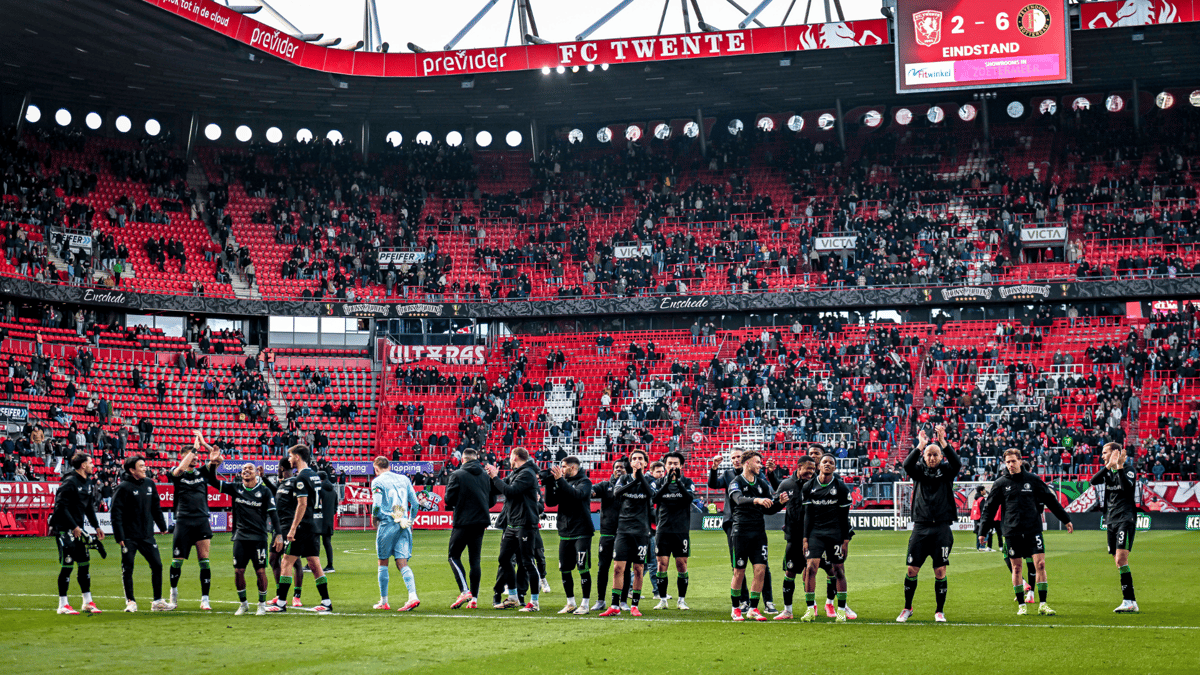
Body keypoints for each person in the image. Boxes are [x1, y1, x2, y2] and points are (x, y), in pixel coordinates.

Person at [979, 449, 1075, 616]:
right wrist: (983, 531)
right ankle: (1022, 605)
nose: (1010, 465)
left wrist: (1065, 519)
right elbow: (989, 508)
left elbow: (1050, 500)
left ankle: (1043, 604)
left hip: (1033, 530)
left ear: (1020, 461)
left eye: (1013, 461)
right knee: (1016, 569)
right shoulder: (1000, 483)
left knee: (1041, 564)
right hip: (1011, 531)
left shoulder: (1033, 480)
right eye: (1007, 462)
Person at [203, 456, 282, 616]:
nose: (246, 471)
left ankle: (261, 604)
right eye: (244, 469)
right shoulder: (235, 488)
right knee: (239, 571)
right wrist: (212, 464)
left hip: (259, 538)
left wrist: (279, 534)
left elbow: (273, 514)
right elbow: (211, 480)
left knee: (260, 571)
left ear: (256, 474)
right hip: (240, 538)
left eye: (250, 469)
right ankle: (244, 603)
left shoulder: (265, 491)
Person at [897, 425, 960, 623]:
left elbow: (957, 464)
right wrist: (920, 446)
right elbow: (907, 465)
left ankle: (939, 611)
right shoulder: (919, 472)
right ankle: (907, 608)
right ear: (924, 457)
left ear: (941, 457)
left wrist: (943, 443)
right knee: (911, 570)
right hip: (921, 527)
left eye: (935, 455)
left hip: (942, 527)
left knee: (940, 570)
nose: (932, 458)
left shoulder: (947, 472)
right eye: (928, 455)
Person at [267, 445, 333, 612]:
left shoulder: (301, 478)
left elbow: (302, 504)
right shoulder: (315, 476)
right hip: (315, 525)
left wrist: (292, 528)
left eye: (290, 456)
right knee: (314, 563)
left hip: (303, 527)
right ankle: (326, 602)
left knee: (286, 562)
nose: (289, 459)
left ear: (297, 456)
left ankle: (281, 603)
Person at [708, 450, 775, 612]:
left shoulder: (758, 477)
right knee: (738, 565)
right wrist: (714, 468)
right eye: (732, 458)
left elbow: (769, 497)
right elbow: (713, 485)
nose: (735, 460)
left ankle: (768, 601)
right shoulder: (730, 476)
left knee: (761, 565)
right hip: (733, 523)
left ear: (744, 459)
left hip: (754, 522)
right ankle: (744, 601)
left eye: (738, 456)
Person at [727, 450, 787, 621]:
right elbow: (738, 499)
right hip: (741, 532)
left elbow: (770, 509)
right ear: (747, 463)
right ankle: (735, 608)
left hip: (759, 533)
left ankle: (753, 608)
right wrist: (757, 500)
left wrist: (780, 503)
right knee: (739, 571)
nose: (760, 465)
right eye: (757, 462)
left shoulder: (762, 484)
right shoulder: (736, 482)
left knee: (760, 570)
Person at [486, 446, 544, 611]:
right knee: (504, 559)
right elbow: (502, 487)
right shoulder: (517, 473)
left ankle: (534, 602)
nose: (508, 460)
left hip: (525, 524)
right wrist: (492, 477)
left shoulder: (527, 474)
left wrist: (496, 477)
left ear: (516, 457)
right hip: (512, 524)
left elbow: (510, 491)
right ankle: (512, 596)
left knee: (526, 562)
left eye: (510, 457)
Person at [599, 449, 654, 618]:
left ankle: (634, 605)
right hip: (622, 530)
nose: (637, 461)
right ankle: (615, 605)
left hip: (641, 532)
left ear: (645, 463)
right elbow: (617, 493)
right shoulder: (623, 479)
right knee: (618, 567)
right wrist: (634, 479)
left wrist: (640, 477)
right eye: (634, 459)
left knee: (638, 569)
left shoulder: (650, 480)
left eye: (640, 459)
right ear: (630, 463)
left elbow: (651, 494)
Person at [110, 454, 168, 612]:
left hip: (147, 535)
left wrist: (162, 526)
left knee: (157, 565)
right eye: (141, 466)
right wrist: (119, 536)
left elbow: (156, 507)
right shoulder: (123, 488)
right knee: (128, 568)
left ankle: (157, 601)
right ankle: (130, 601)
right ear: (131, 470)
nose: (145, 468)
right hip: (129, 537)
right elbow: (116, 514)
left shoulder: (150, 484)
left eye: (145, 465)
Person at [800, 454, 852, 622]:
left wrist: (845, 540)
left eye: (831, 463)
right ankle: (810, 609)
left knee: (838, 570)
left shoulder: (841, 488)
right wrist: (805, 538)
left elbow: (845, 517)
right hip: (816, 533)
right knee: (810, 568)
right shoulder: (808, 487)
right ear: (819, 466)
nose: (827, 464)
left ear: (834, 468)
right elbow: (807, 515)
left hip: (835, 534)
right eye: (824, 462)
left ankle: (842, 610)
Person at [51, 452, 104, 615]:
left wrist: (96, 526)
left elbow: (88, 507)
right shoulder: (69, 482)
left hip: (78, 529)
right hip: (64, 528)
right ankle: (62, 604)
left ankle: (87, 602)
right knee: (67, 565)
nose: (92, 465)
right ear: (83, 465)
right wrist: (73, 526)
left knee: (84, 563)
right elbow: (60, 506)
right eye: (90, 462)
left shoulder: (88, 482)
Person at [1090, 442, 1140, 613]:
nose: (1102, 456)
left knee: (1120, 559)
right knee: (1119, 563)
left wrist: (1118, 466)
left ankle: (1128, 600)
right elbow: (1093, 481)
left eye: (1105, 453)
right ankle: (1130, 600)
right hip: (1110, 520)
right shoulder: (1108, 472)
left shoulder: (1129, 470)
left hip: (1125, 519)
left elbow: (1127, 488)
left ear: (1115, 453)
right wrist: (1109, 466)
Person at [168, 436, 216, 611]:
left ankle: (205, 599)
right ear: (183, 456)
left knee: (204, 560)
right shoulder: (176, 472)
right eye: (191, 455)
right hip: (183, 521)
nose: (195, 457)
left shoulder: (203, 472)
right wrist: (194, 450)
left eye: (196, 455)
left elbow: (216, 456)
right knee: (177, 561)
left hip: (202, 520)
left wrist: (203, 444)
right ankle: (173, 593)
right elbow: (180, 468)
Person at [444, 448, 496, 609]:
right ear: (476, 458)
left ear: (463, 460)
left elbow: (448, 499)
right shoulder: (485, 476)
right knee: (475, 559)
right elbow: (492, 500)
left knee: (453, 555)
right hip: (480, 522)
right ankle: (474, 599)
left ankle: (465, 590)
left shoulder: (457, 475)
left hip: (463, 521)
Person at [370, 456, 420, 611]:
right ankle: (413, 596)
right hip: (403, 522)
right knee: (402, 562)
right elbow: (416, 503)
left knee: (382, 561)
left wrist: (374, 518)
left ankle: (384, 601)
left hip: (388, 523)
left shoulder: (377, 481)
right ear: (389, 466)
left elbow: (377, 505)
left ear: (376, 468)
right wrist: (410, 520)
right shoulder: (404, 479)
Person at [546, 455, 594, 614]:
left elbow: (577, 496)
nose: (561, 469)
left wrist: (560, 481)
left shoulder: (585, 482)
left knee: (582, 567)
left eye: (564, 467)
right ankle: (570, 602)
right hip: (565, 532)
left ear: (573, 467)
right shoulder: (562, 482)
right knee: (565, 568)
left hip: (582, 531)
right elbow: (550, 502)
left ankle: (585, 604)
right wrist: (549, 483)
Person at [773, 455, 816, 620]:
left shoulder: (815, 484)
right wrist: (779, 503)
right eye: (808, 469)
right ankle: (788, 611)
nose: (811, 472)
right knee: (790, 571)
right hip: (793, 537)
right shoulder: (786, 484)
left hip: (813, 537)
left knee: (814, 570)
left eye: (813, 469)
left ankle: (814, 608)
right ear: (799, 467)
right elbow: (775, 505)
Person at [651, 451, 695, 611]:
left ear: (681, 466)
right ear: (665, 465)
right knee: (661, 564)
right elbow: (654, 498)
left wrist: (678, 483)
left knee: (681, 565)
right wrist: (666, 483)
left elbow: (689, 499)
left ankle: (681, 601)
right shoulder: (658, 482)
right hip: (663, 530)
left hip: (681, 530)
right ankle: (663, 600)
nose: (673, 466)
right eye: (670, 463)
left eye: (676, 464)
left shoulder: (688, 482)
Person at [589, 460, 631, 612]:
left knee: (624, 568)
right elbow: (592, 491)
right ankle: (600, 600)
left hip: (625, 533)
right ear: (613, 470)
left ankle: (623, 601)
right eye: (617, 467)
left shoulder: (631, 487)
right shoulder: (605, 485)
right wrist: (588, 492)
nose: (619, 469)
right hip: (607, 533)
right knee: (603, 567)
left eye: (622, 468)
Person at [315, 471, 338, 573]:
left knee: (315, 542)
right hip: (329, 520)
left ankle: (311, 564)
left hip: (318, 519)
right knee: (327, 543)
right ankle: (330, 565)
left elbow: (316, 503)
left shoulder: (319, 489)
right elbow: (335, 507)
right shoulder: (333, 491)